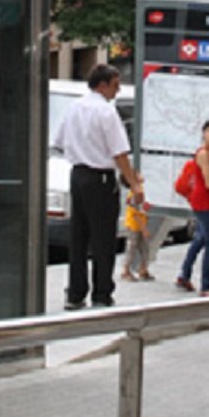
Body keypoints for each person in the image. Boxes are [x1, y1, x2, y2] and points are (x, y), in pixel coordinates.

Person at [53, 65, 144, 310]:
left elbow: (59, 142)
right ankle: (102, 293)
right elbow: (119, 152)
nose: (118, 89)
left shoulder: (73, 108)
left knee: (79, 236)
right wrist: (134, 183)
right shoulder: (107, 112)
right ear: (102, 85)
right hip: (101, 178)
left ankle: (75, 293)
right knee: (103, 238)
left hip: (78, 174)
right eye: (115, 84)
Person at [175, 119, 209, 297]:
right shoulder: (204, 154)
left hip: (208, 201)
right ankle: (206, 285)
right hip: (203, 201)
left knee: (200, 238)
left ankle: (184, 274)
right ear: (204, 133)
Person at [118, 196, 152, 283]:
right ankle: (126, 270)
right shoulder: (134, 194)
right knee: (131, 248)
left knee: (145, 248)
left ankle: (143, 269)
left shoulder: (144, 192)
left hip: (141, 223)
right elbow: (135, 214)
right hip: (133, 225)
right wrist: (144, 229)